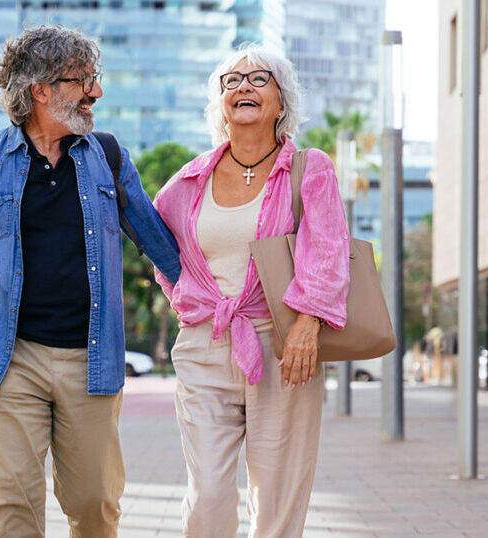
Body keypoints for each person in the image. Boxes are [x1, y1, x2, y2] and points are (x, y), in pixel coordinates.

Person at [0, 25, 181, 538]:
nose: (96, 92)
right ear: (40, 90)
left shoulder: (107, 156)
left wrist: (218, 303)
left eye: (94, 79)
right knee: (12, 506)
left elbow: (161, 244)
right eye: (83, 80)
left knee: (95, 503)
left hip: (93, 359)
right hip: (8, 360)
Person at [153, 45, 350, 537]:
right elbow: (162, 250)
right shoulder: (188, 181)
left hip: (286, 344)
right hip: (206, 343)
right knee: (210, 494)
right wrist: (190, 301)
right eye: (231, 81)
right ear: (220, 103)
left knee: (277, 497)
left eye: (260, 79)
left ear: (282, 102)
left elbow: (328, 247)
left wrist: (308, 324)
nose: (244, 86)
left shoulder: (310, 167)